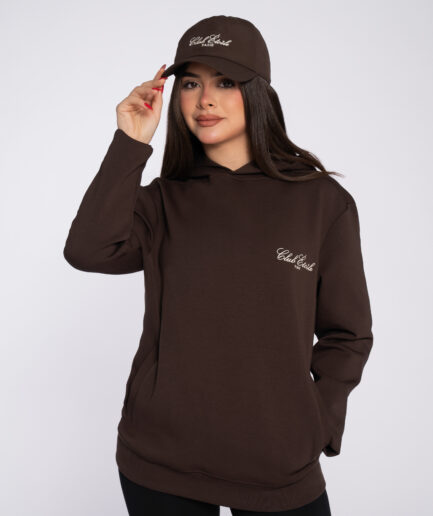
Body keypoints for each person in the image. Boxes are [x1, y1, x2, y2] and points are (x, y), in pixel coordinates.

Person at [63, 15, 373, 516]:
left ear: (259, 93)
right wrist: (131, 142)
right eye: (190, 84)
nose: (204, 99)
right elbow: (88, 250)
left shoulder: (322, 203)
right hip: (160, 460)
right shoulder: (162, 202)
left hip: (277, 465)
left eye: (225, 82)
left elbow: (348, 333)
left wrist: (317, 421)